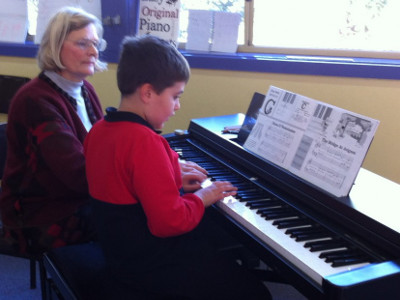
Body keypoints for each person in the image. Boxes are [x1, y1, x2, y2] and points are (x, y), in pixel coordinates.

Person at [84, 35, 272, 300]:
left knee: (210, 244)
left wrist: (171, 179)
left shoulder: (100, 130)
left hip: (119, 253)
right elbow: (169, 223)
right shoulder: (146, 142)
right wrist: (203, 196)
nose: (177, 106)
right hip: (149, 265)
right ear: (147, 93)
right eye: (175, 96)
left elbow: (125, 182)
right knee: (253, 293)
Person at [0, 6, 107, 255]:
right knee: (131, 222)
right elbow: (79, 175)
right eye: (82, 43)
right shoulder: (35, 100)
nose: (93, 51)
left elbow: (105, 148)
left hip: (72, 195)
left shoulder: (84, 89)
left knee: (140, 211)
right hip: (39, 212)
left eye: (95, 43)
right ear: (55, 46)